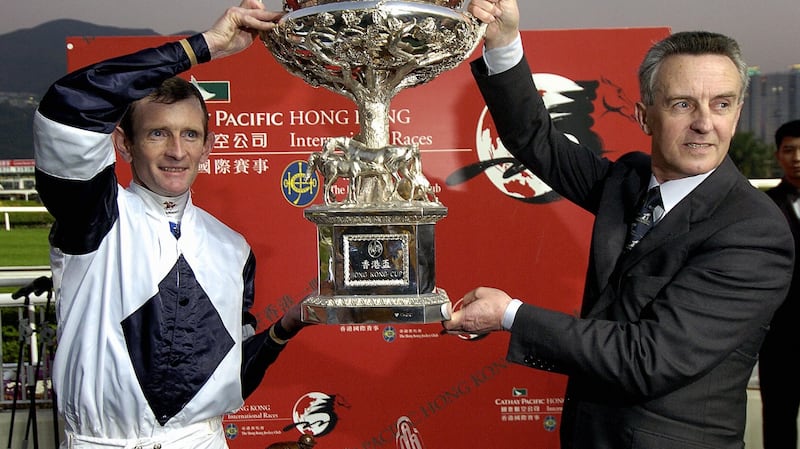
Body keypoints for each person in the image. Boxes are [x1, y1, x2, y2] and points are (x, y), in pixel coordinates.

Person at [442, 1, 794, 448]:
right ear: (644, 115)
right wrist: (503, 40)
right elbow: (536, 139)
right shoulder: (628, 181)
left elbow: (649, 358)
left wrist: (510, 315)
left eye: (721, 104)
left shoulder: (753, 232)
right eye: (683, 104)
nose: (705, 123)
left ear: (738, 112)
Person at [33, 1, 309, 448]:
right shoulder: (95, 216)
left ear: (208, 146)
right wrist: (203, 47)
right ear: (124, 143)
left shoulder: (232, 247)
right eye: (158, 133)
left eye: (190, 134)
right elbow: (69, 108)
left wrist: (284, 329)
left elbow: (227, 378)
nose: (177, 151)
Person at [760, 119, 800, 449]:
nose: (798, 157)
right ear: (778, 155)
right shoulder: (764, 207)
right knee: (778, 423)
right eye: (790, 150)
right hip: (780, 337)